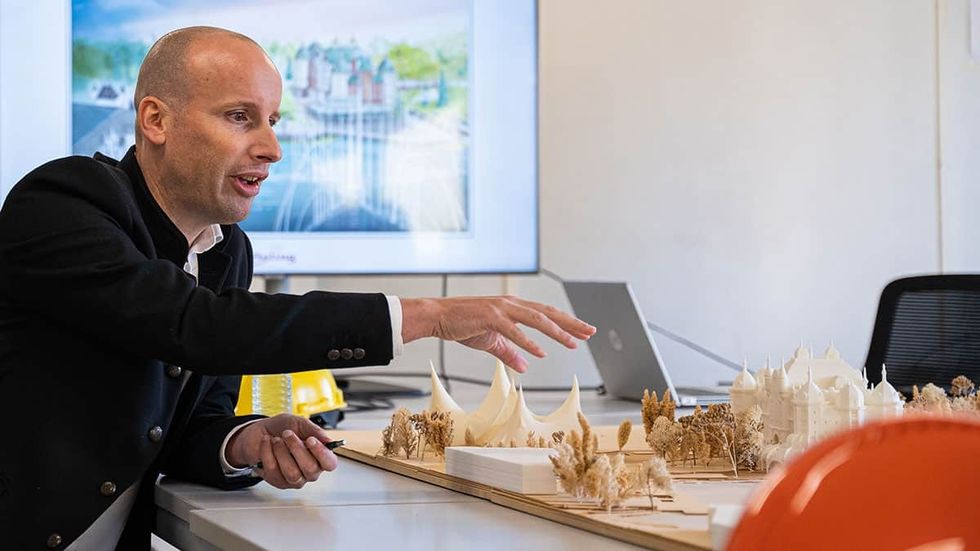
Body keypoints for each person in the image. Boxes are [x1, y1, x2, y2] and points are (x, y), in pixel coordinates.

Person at [0, 27, 595, 550]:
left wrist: (246, 441)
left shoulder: (226, 250)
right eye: (240, 117)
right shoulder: (63, 202)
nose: (272, 148)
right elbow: (192, 324)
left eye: (273, 121)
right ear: (156, 120)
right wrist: (428, 315)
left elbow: (188, 428)